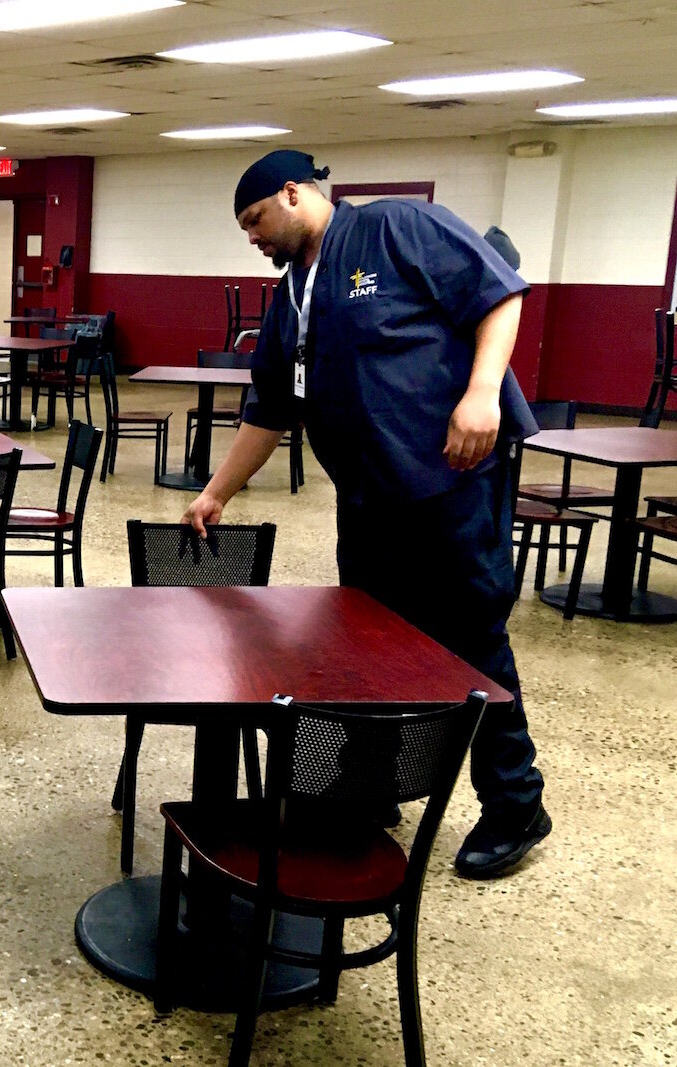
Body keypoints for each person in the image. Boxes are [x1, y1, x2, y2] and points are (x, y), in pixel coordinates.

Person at [184, 149, 550, 879]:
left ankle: (515, 803)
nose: (251, 237)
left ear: (293, 194)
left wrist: (482, 393)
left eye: (255, 219)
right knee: (371, 644)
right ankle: (375, 781)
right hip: (370, 496)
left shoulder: (396, 227)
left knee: (470, 638)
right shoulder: (291, 296)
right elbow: (271, 409)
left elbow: (498, 294)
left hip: (450, 479)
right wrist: (217, 490)